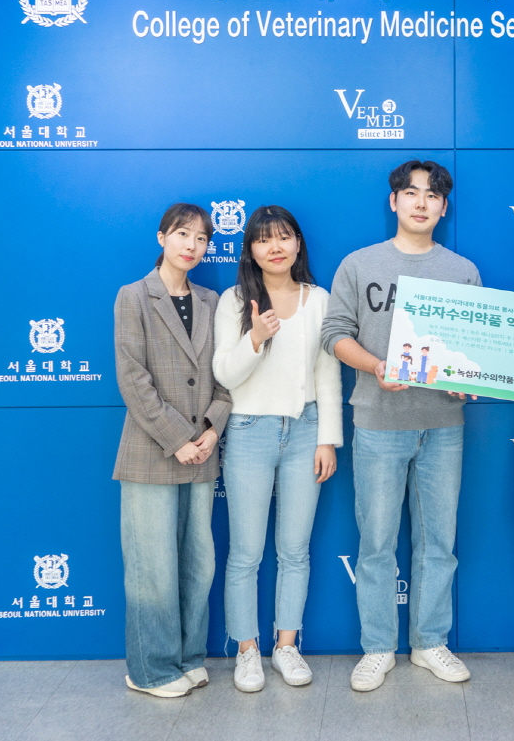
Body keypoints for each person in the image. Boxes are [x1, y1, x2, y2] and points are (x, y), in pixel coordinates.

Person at [321, 160, 480, 692]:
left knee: (439, 542)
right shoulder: (359, 264)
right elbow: (336, 334)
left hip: (443, 424)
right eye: (411, 193)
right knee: (376, 543)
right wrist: (375, 367)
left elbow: (472, 352)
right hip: (378, 422)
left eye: (432, 195)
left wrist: (465, 380)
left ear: (443, 207)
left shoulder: (462, 271)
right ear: (394, 201)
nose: (421, 202)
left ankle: (430, 642)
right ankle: (377, 648)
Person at [213, 205, 343, 692]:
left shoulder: (318, 299)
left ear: (297, 244)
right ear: (250, 249)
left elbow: (328, 374)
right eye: (264, 239)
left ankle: (286, 645)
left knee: (294, 550)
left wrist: (328, 438)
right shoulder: (234, 300)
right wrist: (256, 337)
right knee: (246, 552)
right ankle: (247, 651)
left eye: (284, 237)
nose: (275, 247)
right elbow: (225, 374)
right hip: (249, 430)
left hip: (305, 430)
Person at [112, 203, 231, 698]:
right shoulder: (134, 296)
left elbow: (226, 375)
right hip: (152, 451)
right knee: (152, 568)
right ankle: (150, 671)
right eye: (183, 234)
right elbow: (132, 378)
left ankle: (188, 657)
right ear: (162, 238)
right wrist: (178, 438)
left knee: (197, 564)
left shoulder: (212, 300)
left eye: (201, 238)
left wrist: (212, 429)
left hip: (203, 452)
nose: (192, 245)